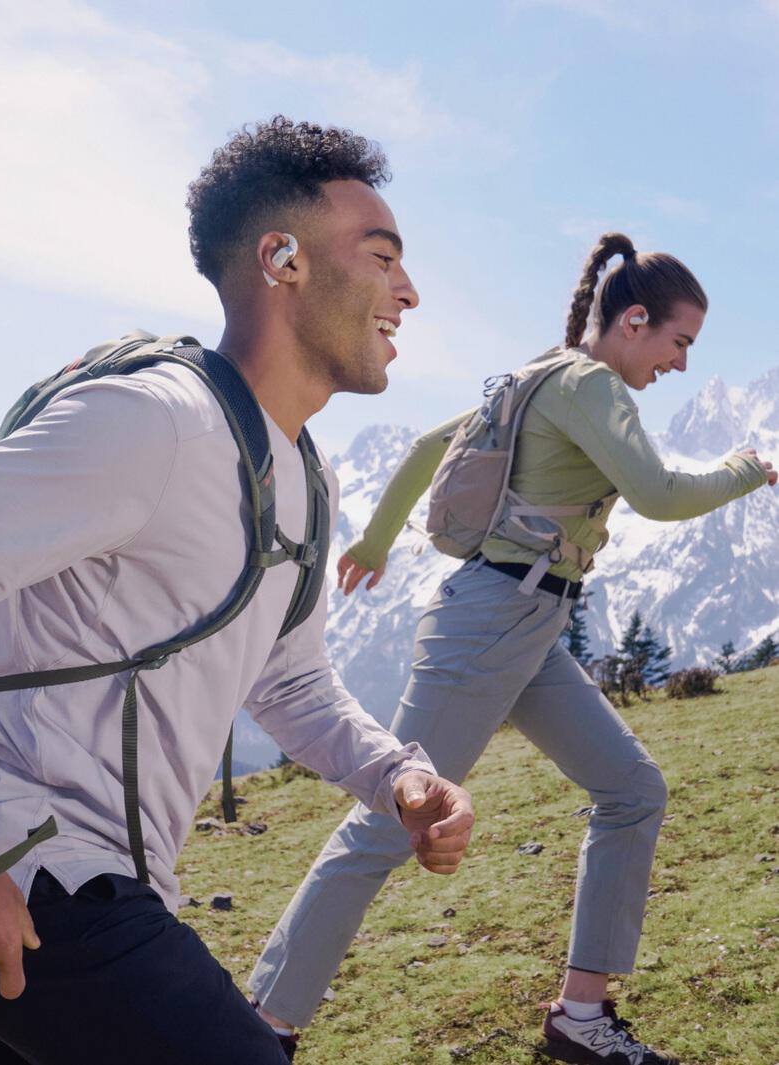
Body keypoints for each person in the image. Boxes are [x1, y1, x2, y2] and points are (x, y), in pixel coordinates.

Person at [0, 116, 475, 1065]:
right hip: (21, 868)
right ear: (283, 259)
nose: (409, 291)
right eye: (381, 256)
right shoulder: (154, 421)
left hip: (82, 881)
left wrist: (397, 777)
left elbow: (290, 681)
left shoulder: (302, 475)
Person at [249, 231, 777, 1064]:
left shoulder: (542, 376)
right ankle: (265, 1025)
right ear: (634, 320)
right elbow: (662, 493)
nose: (678, 363)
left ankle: (580, 1014)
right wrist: (748, 467)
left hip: (521, 624)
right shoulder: (589, 386)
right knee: (390, 820)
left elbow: (430, 447)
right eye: (679, 342)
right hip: (494, 621)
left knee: (632, 788)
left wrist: (381, 541)